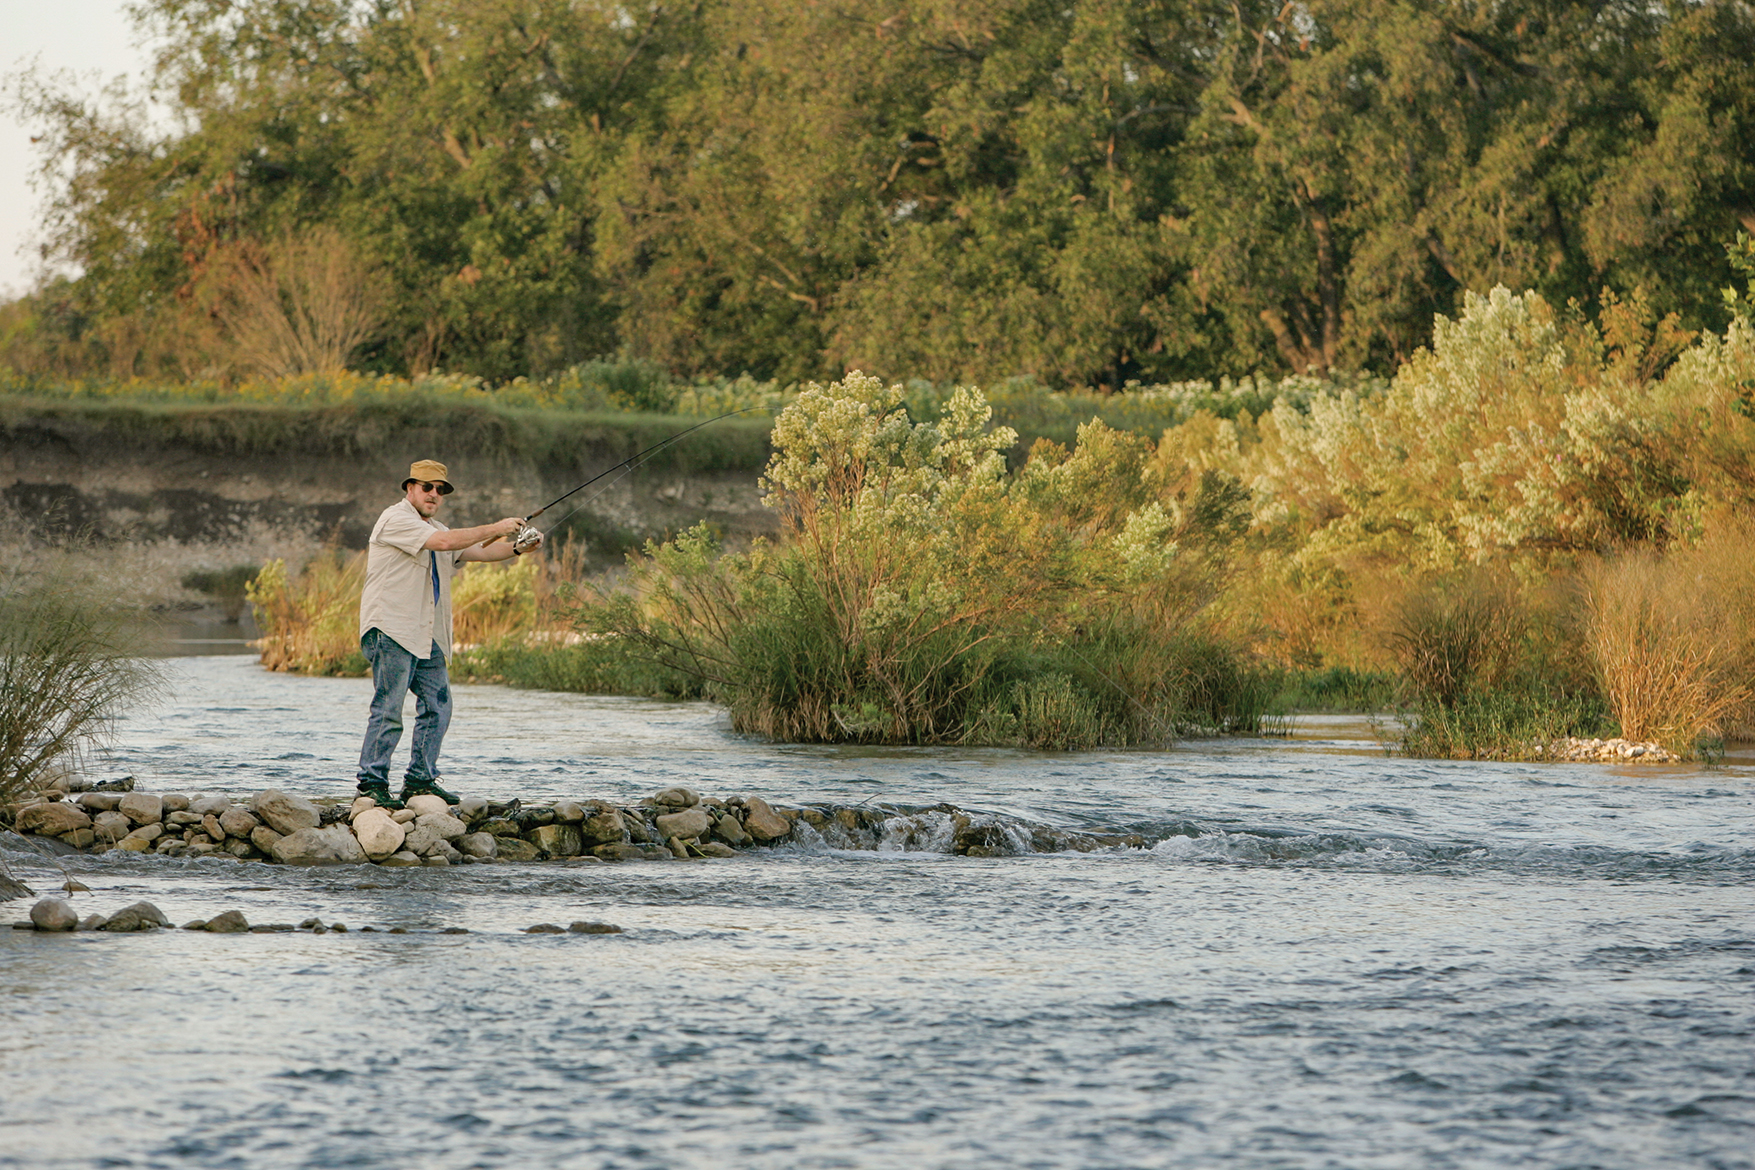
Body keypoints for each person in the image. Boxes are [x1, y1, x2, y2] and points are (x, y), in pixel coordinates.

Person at [354, 459, 539, 809]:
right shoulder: (395, 519)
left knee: (439, 707)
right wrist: (497, 525)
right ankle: (371, 785)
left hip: (428, 635)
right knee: (389, 708)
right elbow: (443, 542)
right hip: (392, 628)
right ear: (409, 487)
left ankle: (420, 781)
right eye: (427, 487)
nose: (434, 494)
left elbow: (477, 552)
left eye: (441, 489)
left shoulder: (438, 527)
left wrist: (517, 547)